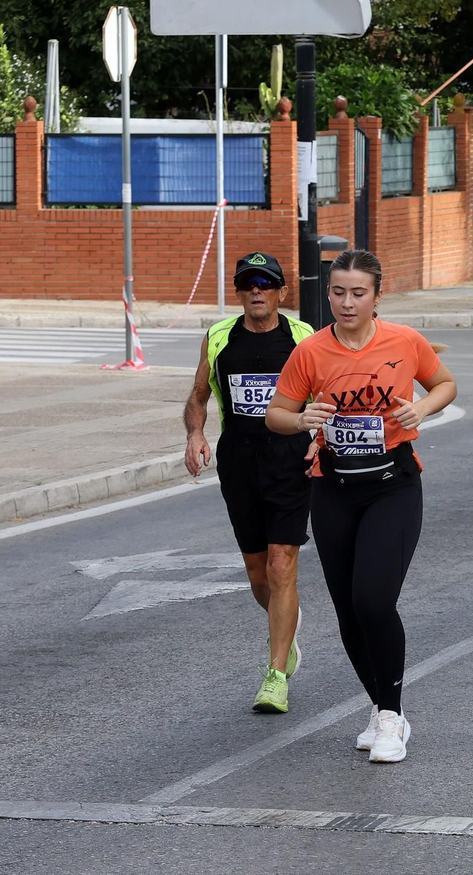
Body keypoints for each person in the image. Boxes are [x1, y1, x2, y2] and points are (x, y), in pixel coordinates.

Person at [265, 249, 458, 764]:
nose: (346, 302)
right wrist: (303, 419)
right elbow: (276, 414)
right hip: (332, 489)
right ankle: (381, 707)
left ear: (377, 296)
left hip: (393, 485)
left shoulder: (404, 341)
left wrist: (421, 407)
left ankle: (392, 717)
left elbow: (445, 384)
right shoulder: (311, 351)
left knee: (373, 600)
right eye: (337, 292)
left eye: (357, 293)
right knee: (349, 610)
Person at [183, 252, 315, 715]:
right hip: (239, 462)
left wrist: (323, 440)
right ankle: (286, 626)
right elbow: (198, 395)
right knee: (258, 573)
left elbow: (329, 393)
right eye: (247, 284)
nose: (256, 291)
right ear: (238, 292)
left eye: (266, 283)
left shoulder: (303, 337)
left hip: (291, 460)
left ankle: (275, 677)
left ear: (282, 292)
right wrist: (195, 434)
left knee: (281, 566)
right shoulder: (219, 337)